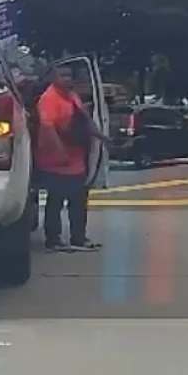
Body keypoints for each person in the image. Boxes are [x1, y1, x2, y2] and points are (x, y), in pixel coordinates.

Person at [35, 66, 108, 252]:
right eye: (62, 75)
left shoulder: (72, 96)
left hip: (76, 158)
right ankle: (53, 240)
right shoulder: (49, 99)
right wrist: (60, 153)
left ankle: (79, 238)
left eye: (69, 75)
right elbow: (48, 129)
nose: (67, 79)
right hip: (56, 160)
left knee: (78, 200)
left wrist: (102, 137)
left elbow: (84, 120)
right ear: (52, 77)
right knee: (56, 200)